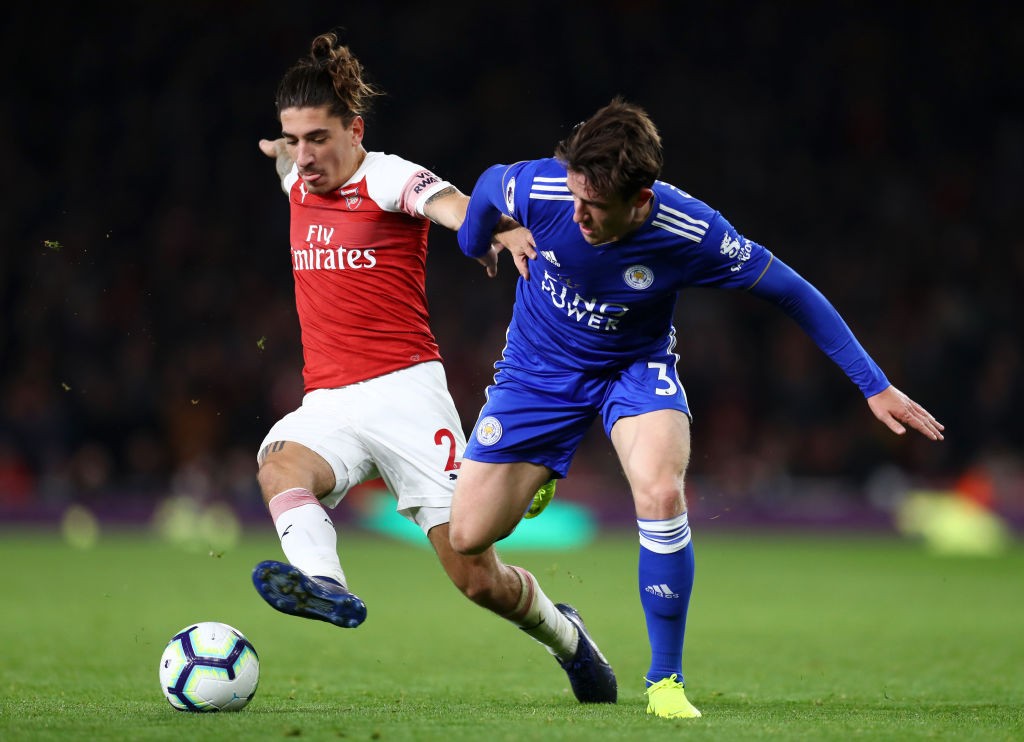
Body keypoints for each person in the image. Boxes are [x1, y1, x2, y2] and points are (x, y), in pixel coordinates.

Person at [449, 97, 945, 719]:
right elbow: (487, 185)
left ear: (641, 200)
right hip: (538, 372)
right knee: (468, 536)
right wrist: (485, 239)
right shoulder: (543, 189)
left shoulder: (691, 231)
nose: (577, 215)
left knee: (661, 493)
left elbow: (792, 292)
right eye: (574, 196)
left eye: (594, 206)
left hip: (634, 370)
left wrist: (874, 385)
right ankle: (544, 481)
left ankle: (665, 681)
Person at [249, 32, 616, 704]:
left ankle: (567, 636)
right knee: (279, 464)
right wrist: (279, 150)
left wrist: (498, 228)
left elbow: (450, 205)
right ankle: (325, 584)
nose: (305, 155)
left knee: (477, 579)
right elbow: (285, 160)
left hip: (405, 395)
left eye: (318, 139)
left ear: (355, 131)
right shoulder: (297, 172)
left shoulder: (387, 176)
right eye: (293, 140)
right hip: (329, 399)